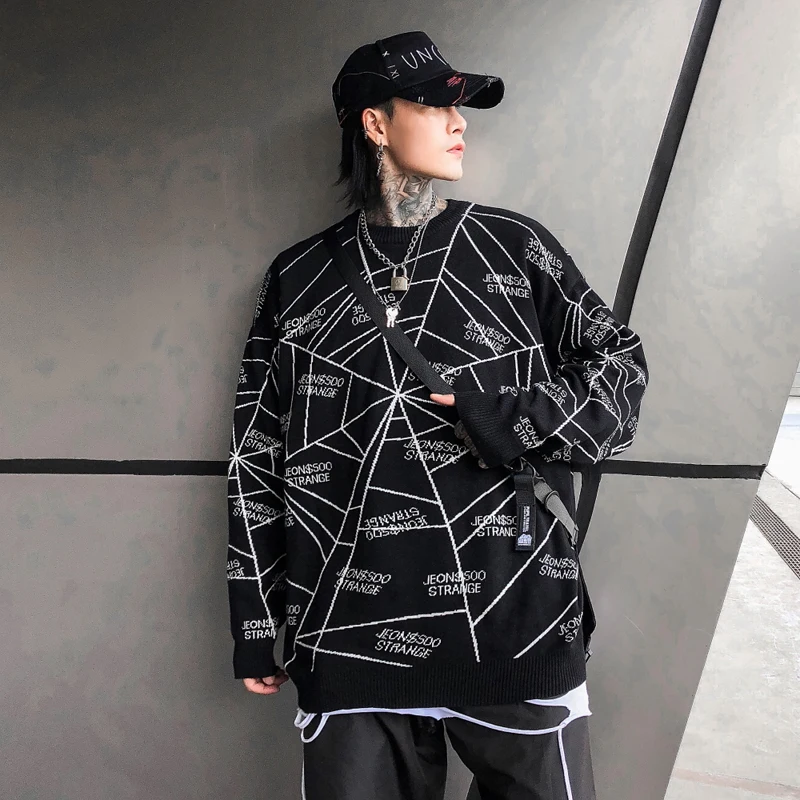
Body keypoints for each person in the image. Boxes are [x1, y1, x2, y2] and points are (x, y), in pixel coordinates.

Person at [226, 30, 649, 800]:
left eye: (462, 107)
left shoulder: (514, 246)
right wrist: (256, 617)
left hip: (516, 623)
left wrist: (509, 418)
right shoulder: (298, 276)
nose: (460, 123)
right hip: (348, 637)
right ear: (375, 123)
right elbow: (258, 452)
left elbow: (622, 373)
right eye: (436, 104)